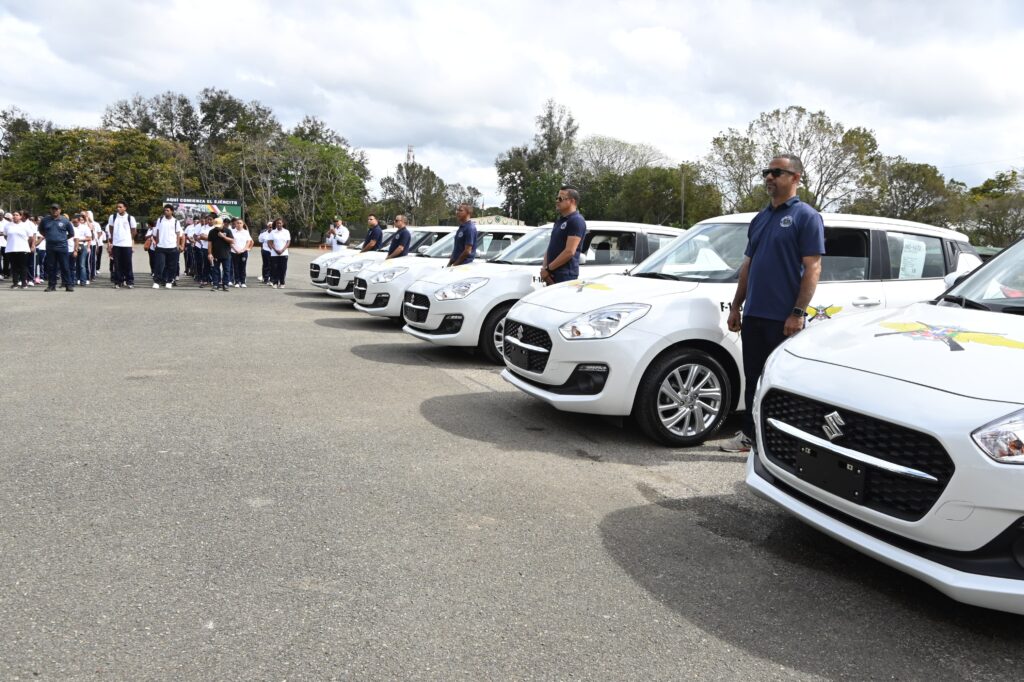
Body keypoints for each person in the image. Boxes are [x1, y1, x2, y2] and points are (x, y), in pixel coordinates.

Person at [721, 153, 825, 453]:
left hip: (783, 318)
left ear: (795, 178)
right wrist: (736, 306)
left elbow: (813, 268)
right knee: (753, 378)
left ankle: (780, 444)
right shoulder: (760, 218)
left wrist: (797, 312)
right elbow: (748, 265)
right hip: (755, 314)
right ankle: (750, 436)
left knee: (780, 383)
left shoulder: (807, 217)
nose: (769, 177)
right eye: (767, 171)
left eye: (777, 172)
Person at [541, 186, 587, 284]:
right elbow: (551, 246)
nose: (557, 201)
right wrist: (544, 268)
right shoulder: (559, 221)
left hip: (565, 275)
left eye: (560, 198)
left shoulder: (576, 220)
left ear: (572, 201)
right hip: (552, 273)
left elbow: (569, 251)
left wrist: (548, 269)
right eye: (556, 198)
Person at [38, 203, 76, 292]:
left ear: (60, 210)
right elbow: (41, 230)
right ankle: (51, 285)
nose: (54, 211)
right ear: (50, 210)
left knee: (65, 266)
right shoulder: (45, 220)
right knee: (51, 267)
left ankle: (68, 285)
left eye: (56, 209)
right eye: (53, 209)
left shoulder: (65, 221)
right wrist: (48, 236)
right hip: (50, 246)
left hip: (62, 247)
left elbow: (71, 233)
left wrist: (63, 239)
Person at [153, 204, 184, 288]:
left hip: (172, 247)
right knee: (159, 265)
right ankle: (157, 281)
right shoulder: (160, 220)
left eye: (168, 210)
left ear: (172, 212)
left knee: (172, 266)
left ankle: (169, 281)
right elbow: (157, 231)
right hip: (161, 247)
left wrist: (177, 245)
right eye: (165, 210)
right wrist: (157, 243)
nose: (166, 212)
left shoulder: (176, 221)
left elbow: (178, 234)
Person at [107, 201, 137, 288]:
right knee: (117, 264)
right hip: (116, 244)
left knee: (127, 263)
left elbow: (134, 230)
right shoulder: (113, 217)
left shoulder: (130, 218)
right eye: (117, 207)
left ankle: (129, 281)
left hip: (127, 244)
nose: (118, 208)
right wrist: (113, 239)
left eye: (120, 207)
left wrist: (129, 238)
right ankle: (118, 281)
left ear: (125, 208)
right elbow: (111, 228)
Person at [3, 211, 34, 288]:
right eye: (13, 215)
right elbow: (5, 236)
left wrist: (25, 243)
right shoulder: (7, 225)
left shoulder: (25, 226)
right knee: (14, 267)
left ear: (20, 216)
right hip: (11, 249)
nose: (14, 216)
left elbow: (31, 237)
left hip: (23, 249)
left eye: (17, 215)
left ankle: (24, 283)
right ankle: (15, 283)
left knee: (23, 267)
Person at [207, 217, 234, 291]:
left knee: (226, 270)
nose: (217, 228)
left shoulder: (227, 230)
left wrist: (223, 237)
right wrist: (209, 253)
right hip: (215, 254)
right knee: (215, 270)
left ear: (222, 224)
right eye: (216, 226)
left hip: (226, 254)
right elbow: (209, 243)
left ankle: (225, 284)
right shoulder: (212, 232)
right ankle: (215, 284)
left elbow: (232, 241)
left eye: (219, 226)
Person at [229, 217, 253, 287]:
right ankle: (237, 282)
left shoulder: (245, 232)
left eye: (240, 223)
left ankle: (243, 282)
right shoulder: (232, 231)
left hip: (243, 252)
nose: (239, 224)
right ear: (235, 224)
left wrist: (243, 249)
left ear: (243, 224)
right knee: (235, 267)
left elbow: (248, 241)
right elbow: (230, 242)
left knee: (243, 267)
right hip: (234, 251)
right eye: (237, 223)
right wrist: (236, 249)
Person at [268, 218, 291, 288]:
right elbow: (270, 242)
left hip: (284, 253)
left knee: (283, 268)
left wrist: (282, 250)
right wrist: (275, 250)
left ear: (282, 224)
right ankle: (275, 283)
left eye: (280, 223)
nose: (279, 224)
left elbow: (288, 242)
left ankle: (282, 283)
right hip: (274, 254)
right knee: (275, 268)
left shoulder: (286, 232)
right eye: (277, 223)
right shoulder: (273, 232)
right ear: (275, 224)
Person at [72, 213, 92, 285]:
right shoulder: (71, 227)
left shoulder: (84, 227)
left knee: (81, 264)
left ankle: (83, 280)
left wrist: (79, 240)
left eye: (76, 222)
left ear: (79, 221)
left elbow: (89, 238)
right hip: (73, 246)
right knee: (74, 264)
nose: (74, 223)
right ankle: (75, 279)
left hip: (82, 246)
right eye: (73, 222)